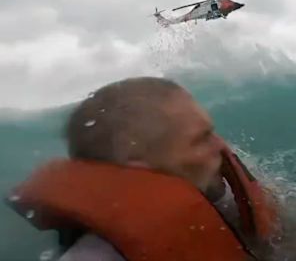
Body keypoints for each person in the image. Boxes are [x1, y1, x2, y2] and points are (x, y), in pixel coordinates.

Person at [6, 77, 280, 261]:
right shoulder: (95, 256)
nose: (220, 146)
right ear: (138, 162)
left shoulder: (212, 196)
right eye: (201, 138)